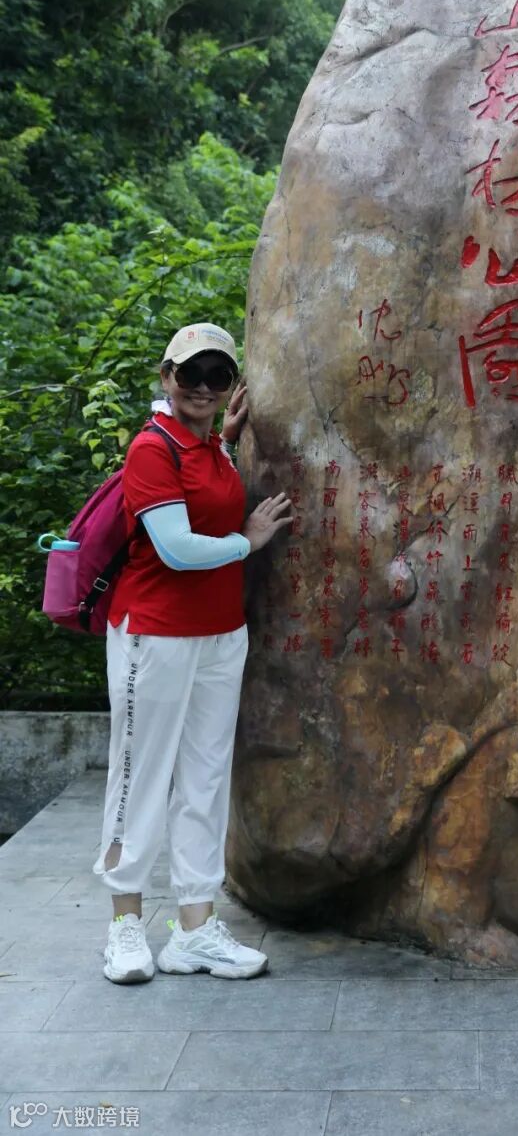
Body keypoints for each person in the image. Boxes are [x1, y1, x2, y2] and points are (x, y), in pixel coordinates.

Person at [93, 322, 294, 983]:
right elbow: (178, 549)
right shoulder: (151, 449)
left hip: (220, 636)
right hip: (154, 635)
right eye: (191, 374)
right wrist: (248, 541)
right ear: (167, 376)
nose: (204, 387)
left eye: (218, 375)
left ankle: (194, 929)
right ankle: (125, 925)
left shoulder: (210, 448)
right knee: (139, 777)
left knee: (205, 779)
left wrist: (226, 440)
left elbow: (207, 493)